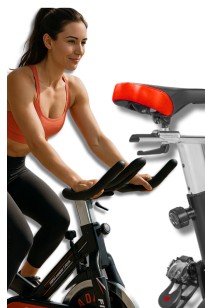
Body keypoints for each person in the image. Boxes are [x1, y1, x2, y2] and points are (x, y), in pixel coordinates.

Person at [7, 8, 151, 288]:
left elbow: (96, 139)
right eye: (71, 41)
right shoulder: (20, 81)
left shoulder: (73, 87)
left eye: (83, 42)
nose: (79, 51)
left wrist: (127, 173)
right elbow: (37, 142)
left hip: (14, 168)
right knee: (19, 238)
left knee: (57, 221)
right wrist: (75, 180)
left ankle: (24, 281)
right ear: (48, 41)